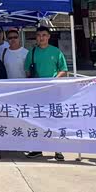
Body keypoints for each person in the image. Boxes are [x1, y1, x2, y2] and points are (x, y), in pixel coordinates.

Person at [24, 26, 68, 161]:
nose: (41, 38)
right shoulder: (32, 52)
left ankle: (58, 149)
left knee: (54, 119)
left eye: (44, 35)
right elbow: (27, 71)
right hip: (38, 92)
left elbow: (64, 70)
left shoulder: (56, 52)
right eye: (38, 35)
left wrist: (54, 80)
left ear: (48, 36)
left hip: (53, 91)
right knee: (38, 120)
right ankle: (38, 148)